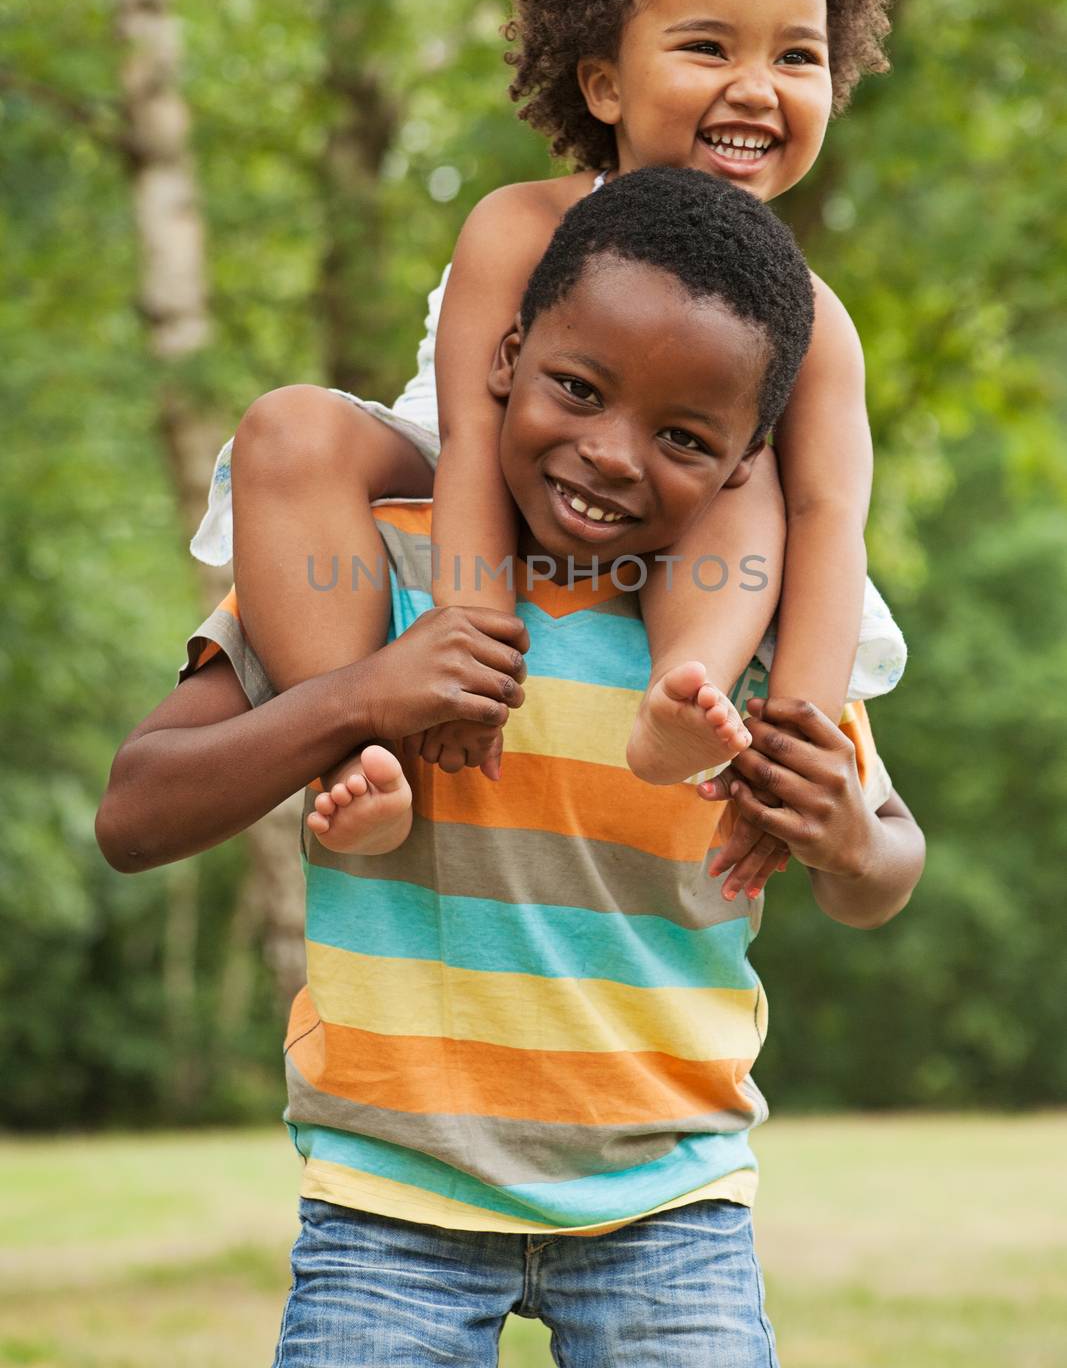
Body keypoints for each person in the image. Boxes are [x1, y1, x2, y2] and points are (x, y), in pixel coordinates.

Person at [98, 168, 925, 1365]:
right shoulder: (370, 571)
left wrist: (849, 837)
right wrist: (362, 695)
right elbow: (134, 811)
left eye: (684, 436)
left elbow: (880, 868)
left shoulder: (743, 630)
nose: (609, 456)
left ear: (747, 459)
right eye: (576, 390)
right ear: (502, 361)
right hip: (391, 1206)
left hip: (668, 1206)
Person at [187, 0, 907, 889]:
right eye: (706, 46)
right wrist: (471, 630)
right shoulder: (518, 227)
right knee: (291, 427)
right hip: (481, 465)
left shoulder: (807, 318)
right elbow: (472, 437)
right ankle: (365, 757)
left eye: (796, 58)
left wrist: (798, 749)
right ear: (604, 81)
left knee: (751, 479)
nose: (754, 88)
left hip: (677, 529)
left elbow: (826, 519)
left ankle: (681, 695)